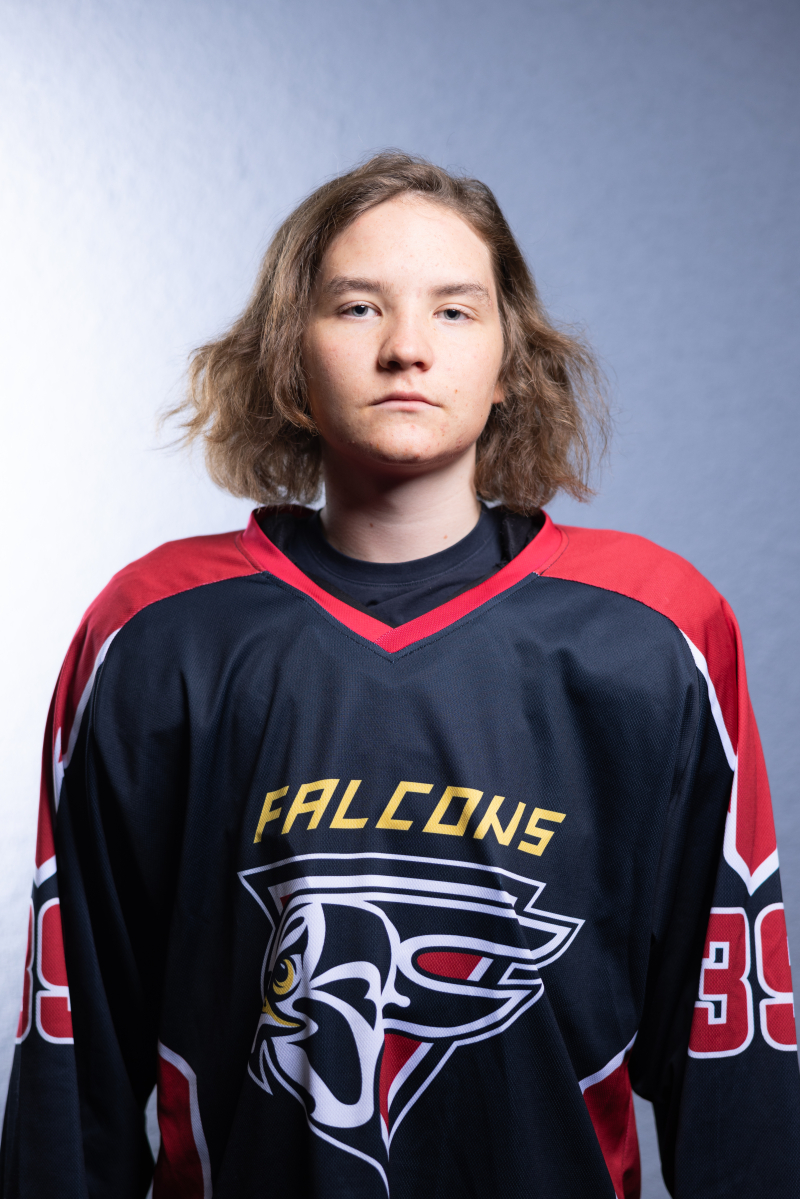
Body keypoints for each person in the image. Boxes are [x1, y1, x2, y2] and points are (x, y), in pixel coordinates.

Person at [2, 151, 798, 1199]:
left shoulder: (651, 632)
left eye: (455, 311)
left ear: (510, 361)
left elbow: (729, 1055)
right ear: (288, 356)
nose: (407, 348)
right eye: (357, 307)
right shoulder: (156, 633)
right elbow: (76, 1069)